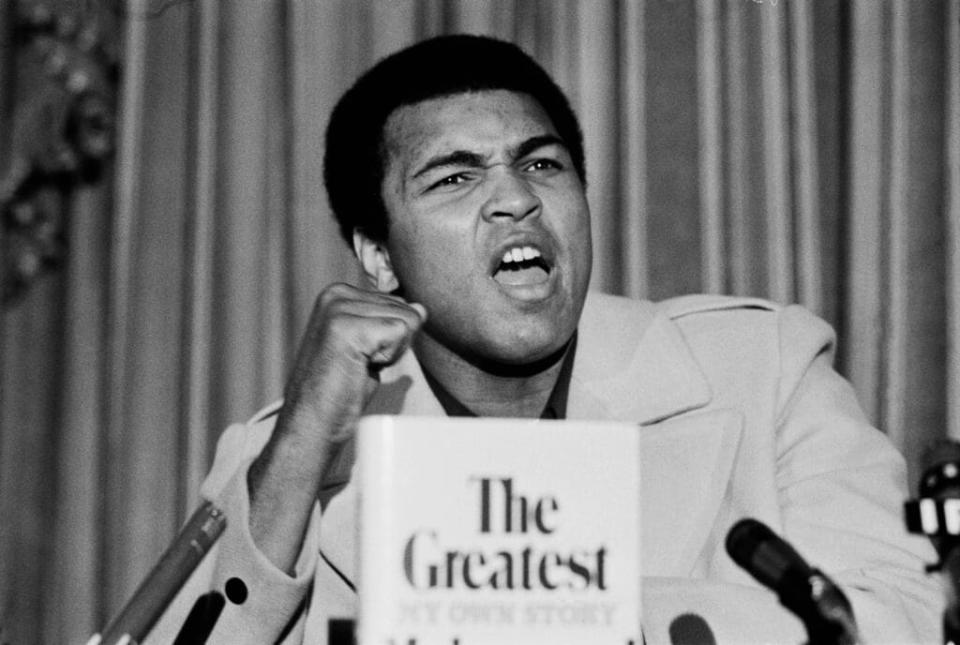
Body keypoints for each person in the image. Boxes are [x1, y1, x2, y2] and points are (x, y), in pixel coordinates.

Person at [148, 35, 942, 643]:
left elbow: (899, 617)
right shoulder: (284, 457)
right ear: (378, 256)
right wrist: (301, 451)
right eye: (454, 177)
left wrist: (577, 615)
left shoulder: (764, 370)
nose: (515, 199)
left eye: (542, 163)